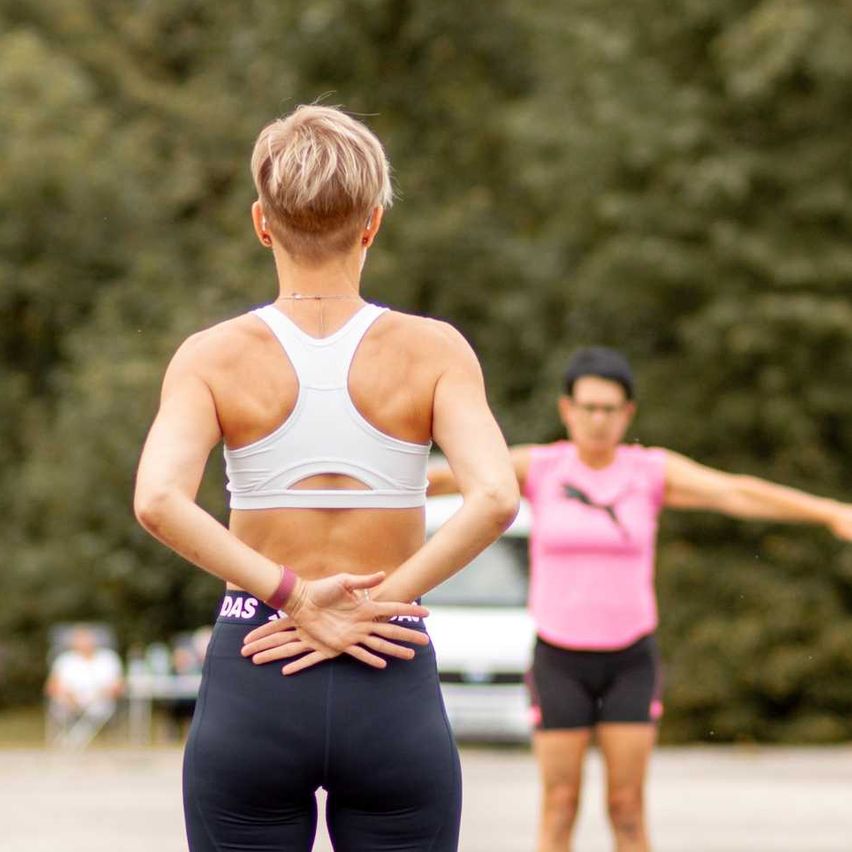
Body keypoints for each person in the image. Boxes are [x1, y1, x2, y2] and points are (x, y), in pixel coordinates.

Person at [134, 104, 519, 852]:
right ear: (372, 223)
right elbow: (497, 496)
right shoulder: (434, 350)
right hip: (390, 660)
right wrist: (377, 601)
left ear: (261, 222)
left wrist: (296, 597)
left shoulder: (212, 356)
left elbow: (157, 500)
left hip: (258, 660)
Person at [427, 346, 852, 852]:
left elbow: (735, 492)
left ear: (627, 414)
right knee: (559, 806)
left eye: (610, 409)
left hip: (630, 659)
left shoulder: (649, 472)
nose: (598, 420)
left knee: (626, 809)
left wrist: (828, 511)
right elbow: (442, 477)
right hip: (559, 658)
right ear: (567, 410)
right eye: (588, 408)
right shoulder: (540, 467)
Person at [45, 625, 124, 749]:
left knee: (99, 709)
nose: (84, 643)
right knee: (60, 705)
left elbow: (118, 685)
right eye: (80, 640)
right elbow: (51, 686)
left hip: (100, 700)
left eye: (87, 639)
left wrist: (104, 694)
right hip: (69, 700)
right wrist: (69, 697)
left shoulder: (108, 658)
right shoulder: (64, 660)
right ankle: (73, 741)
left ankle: (71, 741)